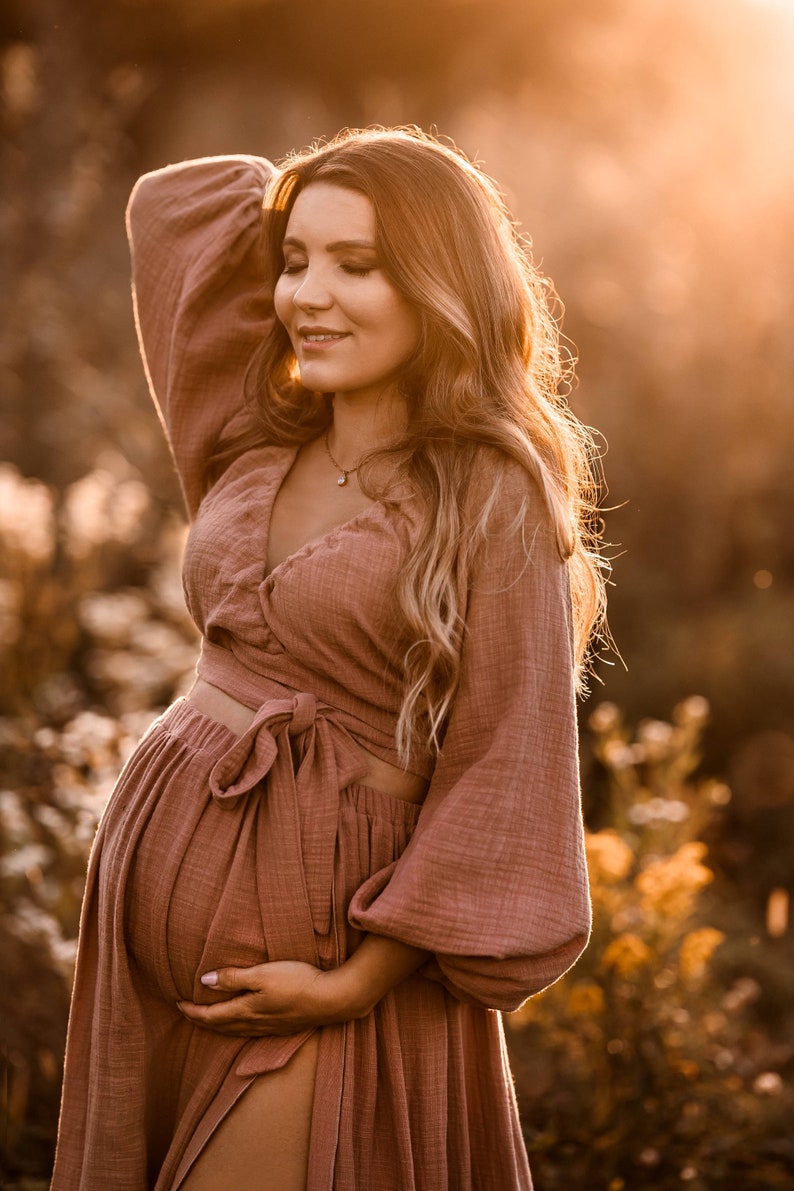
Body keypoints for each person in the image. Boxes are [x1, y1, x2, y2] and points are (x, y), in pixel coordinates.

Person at [52, 126, 606, 1190]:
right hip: (151, 974)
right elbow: (175, 211)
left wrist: (357, 981)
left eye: (359, 266)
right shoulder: (253, 436)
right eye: (294, 260)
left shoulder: (488, 493)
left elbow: (505, 765)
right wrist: (306, 188)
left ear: (439, 284)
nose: (309, 294)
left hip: (325, 980)